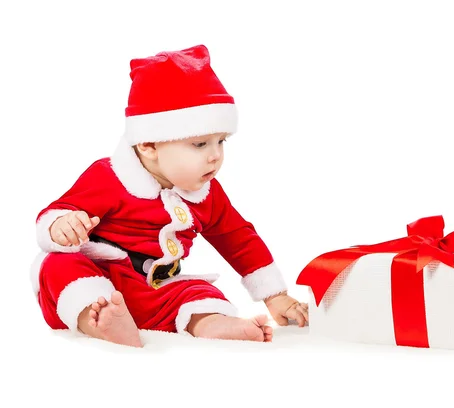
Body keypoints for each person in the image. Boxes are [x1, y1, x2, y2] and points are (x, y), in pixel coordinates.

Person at [30, 44, 309, 348]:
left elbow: (239, 239)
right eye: (200, 144)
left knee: (195, 290)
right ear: (148, 144)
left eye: (221, 141)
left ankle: (210, 322)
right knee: (58, 266)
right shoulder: (110, 177)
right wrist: (62, 225)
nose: (216, 156)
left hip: (155, 288)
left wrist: (275, 294)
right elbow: (60, 210)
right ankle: (98, 319)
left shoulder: (206, 194)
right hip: (100, 275)